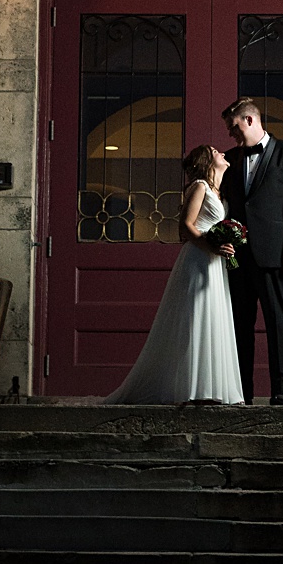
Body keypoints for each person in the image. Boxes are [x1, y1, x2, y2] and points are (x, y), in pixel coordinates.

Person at [101, 144, 243, 405]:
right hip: (198, 261)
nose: (222, 153)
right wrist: (213, 245)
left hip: (214, 264)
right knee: (196, 317)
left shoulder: (218, 191)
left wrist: (227, 243)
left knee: (213, 317)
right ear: (206, 161)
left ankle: (213, 389)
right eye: (215, 151)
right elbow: (186, 227)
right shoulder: (199, 186)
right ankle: (193, 389)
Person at [221, 97, 283, 405]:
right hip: (238, 259)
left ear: (249, 120)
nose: (231, 136)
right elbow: (227, 207)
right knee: (239, 328)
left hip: (278, 257)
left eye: (233, 128)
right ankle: (241, 392)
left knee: (280, 325)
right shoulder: (230, 159)